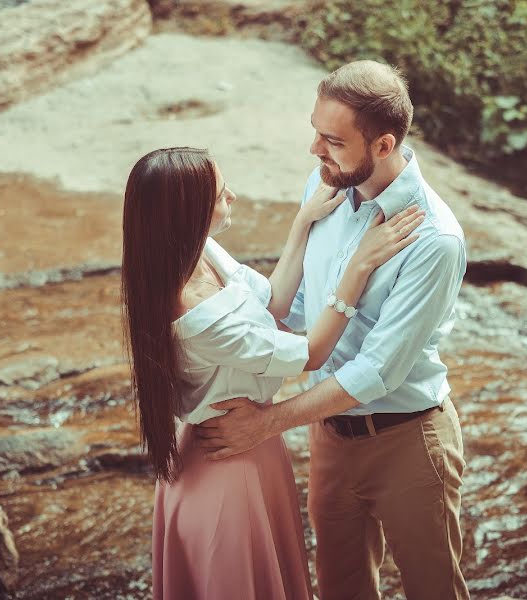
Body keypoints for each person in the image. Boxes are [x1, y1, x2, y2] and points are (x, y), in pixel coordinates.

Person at [196, 61, 470, 600]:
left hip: (409, 441)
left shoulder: (434, 240)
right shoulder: (323, 187)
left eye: (332, 140)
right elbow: (296, 309)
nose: (315, 151)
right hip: (331, 434)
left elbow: (379, 370)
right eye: (315, 132)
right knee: (340, 590)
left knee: (435, 591)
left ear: (384, 144)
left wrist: (266, 423)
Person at [120, 146, 424, 600]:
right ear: (188, 211)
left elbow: (270, 305)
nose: (234, 197)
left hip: (238, 446)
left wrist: (303, 223)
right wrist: (360, 265)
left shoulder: (191, 253)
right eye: (223, 195)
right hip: (231, 467)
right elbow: (313, 352)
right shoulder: (196, 312)